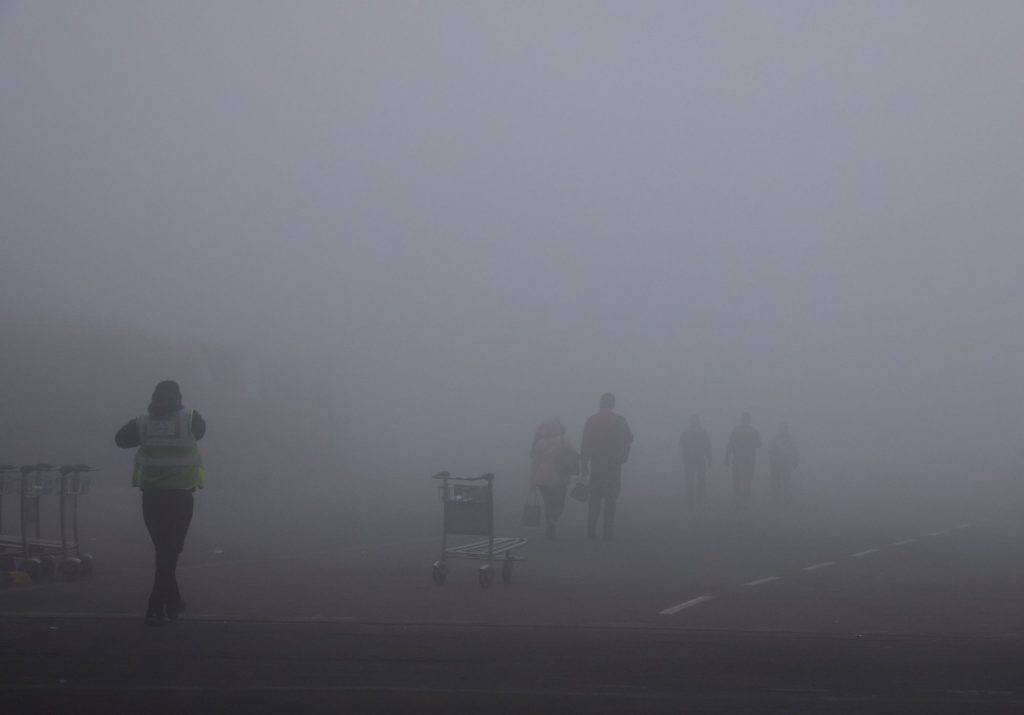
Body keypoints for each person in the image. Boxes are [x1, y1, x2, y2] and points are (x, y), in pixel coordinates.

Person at [115, 380, 206, 626]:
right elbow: (201, 433)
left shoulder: (142, 422)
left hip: (152, 496)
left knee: (164, 550)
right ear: (178, 397)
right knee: (170, 551)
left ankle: (173, 600)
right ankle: (156, 603)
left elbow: (120, 440)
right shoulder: (190, 418)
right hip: (180, 495)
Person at [580, 393, 633, 540]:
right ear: (613, 404)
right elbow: (628, 440)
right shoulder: (620, 420)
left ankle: (591, 530)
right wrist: (622, 458)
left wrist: (584, 465)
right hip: (613, 467)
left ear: (600, 403)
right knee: (611, 499)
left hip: (597, 465)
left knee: (595, 498)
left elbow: (585, 445)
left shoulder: (592, 420)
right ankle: (607, 531)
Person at [529, 419, 577, 540]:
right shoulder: (564, 441)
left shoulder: (539, 443)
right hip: (560, 478)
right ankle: (553, 519)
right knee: (560, 502)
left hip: (542, 479)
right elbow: (574, 455)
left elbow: (535, 463)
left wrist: (532, 480)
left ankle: (550, 523)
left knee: (548, 502)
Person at [724, 412, 761, 507]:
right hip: (749, 458)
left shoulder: (736, 430)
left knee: (737, 478)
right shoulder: (753, 431)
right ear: (749, 420)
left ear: (742, 419)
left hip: (738, 458)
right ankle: (746, 498)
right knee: (748, 478)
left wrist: (727, 457)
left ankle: (738, 497)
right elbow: (759, 444)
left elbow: (730, 444)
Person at [678, 415, 712, 508]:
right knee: (700, 479)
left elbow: (680, 444)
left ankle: (691, 500)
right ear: (698, 422)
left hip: (689, 459)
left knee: (690, 480)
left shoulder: (686, 432)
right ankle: (698, 499)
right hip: (699, 459)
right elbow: (708, 447)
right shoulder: (703, 432)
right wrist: (709, 460)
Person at [769, 422, 798, 504]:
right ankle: (780, 498)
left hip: (782, 462)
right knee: (780, 480)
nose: (782, 430)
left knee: (784, 480)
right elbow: (794, 450)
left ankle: (783, 498)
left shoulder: (778, 438)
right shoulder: (786, 438)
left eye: (783, 428)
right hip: (779, 461)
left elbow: (794, 450)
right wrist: (796, 460)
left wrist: (796, 460)